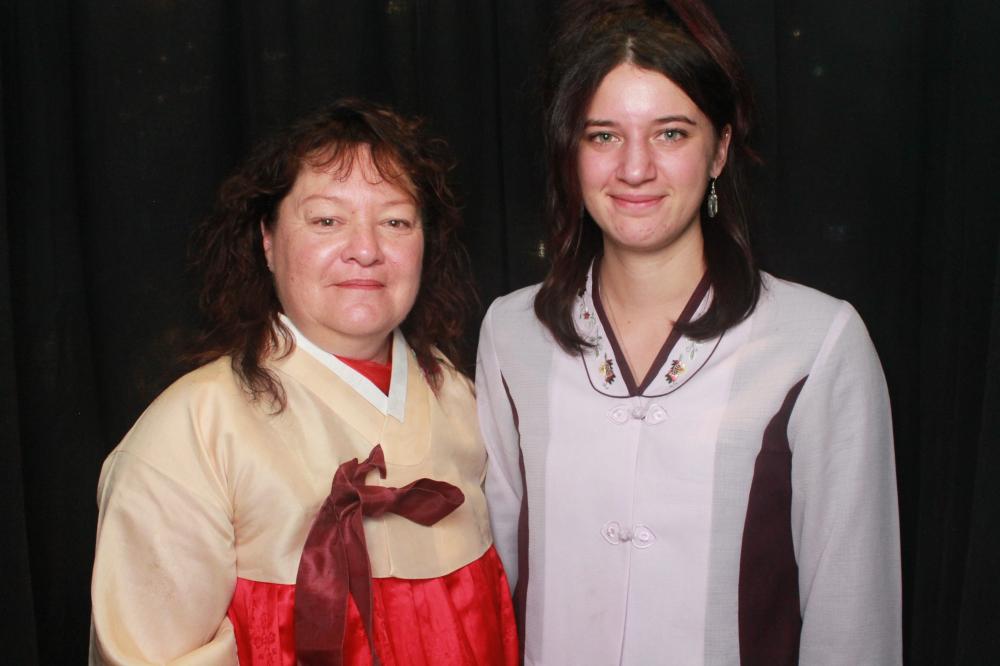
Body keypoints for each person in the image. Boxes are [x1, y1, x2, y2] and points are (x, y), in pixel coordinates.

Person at [476, 1, 902, 664]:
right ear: (571, 153)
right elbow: (488, 591)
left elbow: (853, 617)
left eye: (671, 133)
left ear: (719, 149)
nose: (635, 168)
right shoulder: (511, 334)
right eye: (603, 136)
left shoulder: (816, 342)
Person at [90, 99, 518, 665]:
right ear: (267, 240)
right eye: (326, 221)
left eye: (395, 221)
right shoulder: (194, 429)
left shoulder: (463, 401)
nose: (365, 250)